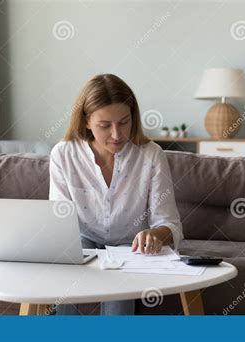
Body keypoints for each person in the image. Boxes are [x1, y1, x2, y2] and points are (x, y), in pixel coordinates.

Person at [49, 73, 183, 315]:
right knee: (64, 276)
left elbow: (169, 224)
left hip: (130, 247)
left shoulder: (152, 155)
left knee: (118, 305)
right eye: (104, 125)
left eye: (124, 122)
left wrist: (154, 235)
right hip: (81, 241)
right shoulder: (63, 154)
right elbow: (58, 221)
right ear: (87, 121)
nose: (117, 134)